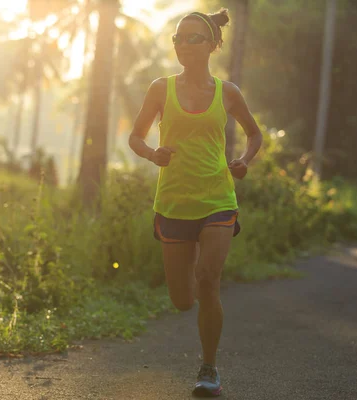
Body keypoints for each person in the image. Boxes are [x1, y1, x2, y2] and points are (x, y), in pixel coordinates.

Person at [128, 8, 263, 398]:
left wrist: (243, 161)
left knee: (208, 281)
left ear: (213, 45)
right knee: (183, 300)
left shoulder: (228, 93)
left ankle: (209, 369)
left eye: (193, 38)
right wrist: (153, 154)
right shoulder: (160, 88)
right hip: (173, 203)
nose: (183, 45)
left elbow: (254, 135)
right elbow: (136, 137)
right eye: (178, 39)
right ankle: (189, 290)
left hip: (219, 198)